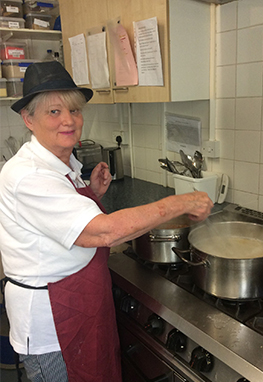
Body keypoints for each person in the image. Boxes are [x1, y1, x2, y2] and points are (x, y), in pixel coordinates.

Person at [0, 61, 213, 382]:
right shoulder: (28, 175)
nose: (69, 121)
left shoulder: (62, 161)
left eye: (74, 110)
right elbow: (105, 232)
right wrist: (182, 201)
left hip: (80, 307)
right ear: (28, 119)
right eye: (54, 112)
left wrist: (93, 193)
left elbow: (68, 221)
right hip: (53, 324)